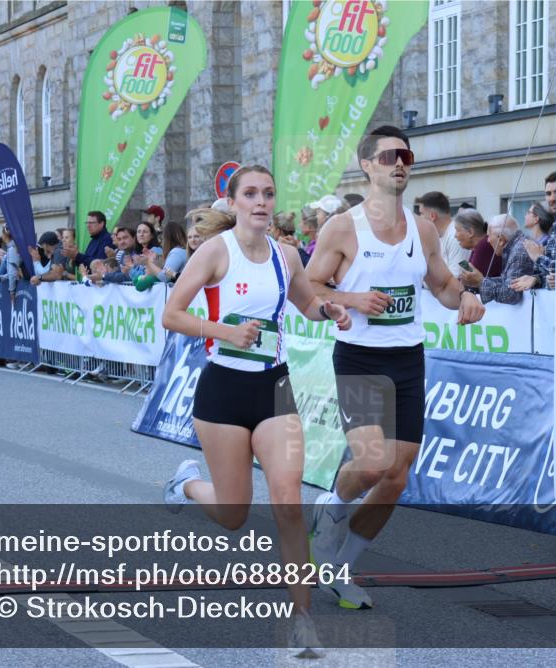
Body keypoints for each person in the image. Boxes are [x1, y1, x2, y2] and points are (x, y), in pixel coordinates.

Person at [161, 165, 351, 658]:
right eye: (251, 194)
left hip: (274, 387)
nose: (261, 202)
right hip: (223, 391)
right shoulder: (213, 253)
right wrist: (225, 332)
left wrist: (332, 310)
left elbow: (309, 304)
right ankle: (185, 483)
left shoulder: (286, 255)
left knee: (288, 501)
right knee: (233, 513)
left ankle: (302, 621)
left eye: (268, 193)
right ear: (234, 202)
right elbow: (172, 314)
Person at [305, 125, 485, 610]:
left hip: (408, 358)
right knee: (372, 463)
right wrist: (350, 298)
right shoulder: (343, 227)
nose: (399, 163)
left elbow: (443, 285)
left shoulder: (423, 228)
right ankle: (329, 510)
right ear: (367, 165)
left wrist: (466, 297)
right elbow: (308, 291)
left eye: (405, 155)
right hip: (361, 358)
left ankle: (342, 569)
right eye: (388, 156)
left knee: (396, 476)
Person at [461, 214, 534, 305]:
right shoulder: (516, 245)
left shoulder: (519, 250)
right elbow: (506, 282)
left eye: (489, 236)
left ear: (501, 239)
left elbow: (512, 294)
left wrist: (481, 282)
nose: (487, 240)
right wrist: (482, 281)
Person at [415, 191, 469, 277]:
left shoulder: (455, 237)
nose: (419, 218)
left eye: (421, 213)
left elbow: (457, 276)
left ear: (432, 216)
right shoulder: (437, 236)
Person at [136, 221, 188, 291]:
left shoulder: (177, 252)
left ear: (167, 237)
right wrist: (154, 261)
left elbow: (165, 277)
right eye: (138, 231)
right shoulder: (178, 251)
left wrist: (148, 263)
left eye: (162, 237)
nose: (161, 241)